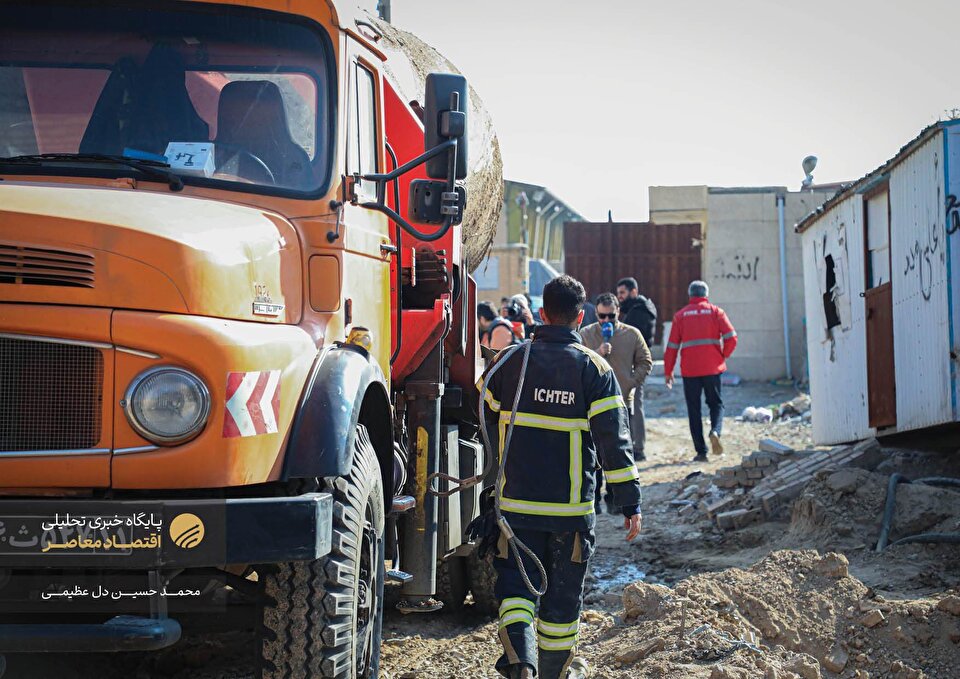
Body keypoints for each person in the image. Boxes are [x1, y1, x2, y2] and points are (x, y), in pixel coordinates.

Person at [477, 275, 642, 679]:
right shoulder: (595, 370)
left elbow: (479, 414)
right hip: (570, 514)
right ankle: (551, 673)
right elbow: (614, 443)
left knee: (516, 591)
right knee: (562, 606)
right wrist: (629, 501)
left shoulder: (512, 361)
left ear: (543, 313)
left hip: (515, 508)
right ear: (580, 316)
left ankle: (522, 667)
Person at [663, 280, 738, 462]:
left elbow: (672, 347)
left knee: (694, 410)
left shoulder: (680, 316)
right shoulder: (716, 312)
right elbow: (732, 338)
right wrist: (722, 356)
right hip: (713, 368)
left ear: (690, 296)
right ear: (706, 295)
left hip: (690, 370)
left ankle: (701, 452)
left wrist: (668, 371)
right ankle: (715, 431)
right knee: (716, 404)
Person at [580, 292, 652, 465]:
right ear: (596, 314)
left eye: (611, 316)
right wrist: (597, 353)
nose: (606, 320)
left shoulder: (632, 334)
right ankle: (596, 491)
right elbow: (577, 362)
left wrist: (632, 382)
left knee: (620, 454)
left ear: (618, 312)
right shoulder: (586, 334)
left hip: (622, 403)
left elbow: (646, 361)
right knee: (594, 455)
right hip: (593, 403)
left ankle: (615, 492)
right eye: (602, 316)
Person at [616, 277, 657, 347]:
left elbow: (630, 339)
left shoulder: (639, 311)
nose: (619, 296)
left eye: (622, 293)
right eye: (618, 293)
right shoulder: (641, 307)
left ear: (633, 292)